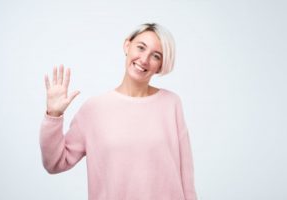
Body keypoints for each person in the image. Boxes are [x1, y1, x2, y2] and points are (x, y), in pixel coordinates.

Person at [40, 23, 197, 200]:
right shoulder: (94, 109)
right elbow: (55, 164)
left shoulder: (171, 103)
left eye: (156, 56)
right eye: (141, 47)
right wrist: (53, 115)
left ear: (160, 65)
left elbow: (186, 173)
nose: (144, 59)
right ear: (127, 46)